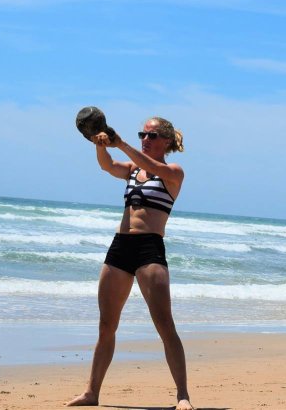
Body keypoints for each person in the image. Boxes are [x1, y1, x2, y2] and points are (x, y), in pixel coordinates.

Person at [67, 116, 194, 410]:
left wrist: (120, 142)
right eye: (142, 135)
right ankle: (91, 393)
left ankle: (183, 395)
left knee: (164, 325)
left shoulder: (173, 172)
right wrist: (100, 146)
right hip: (121, 247)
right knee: (106, 325)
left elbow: (154, 167)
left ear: (166, 141)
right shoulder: (133, 170)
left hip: (149, 248)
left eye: (150, 136)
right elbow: (107, 166)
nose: (145, 140)